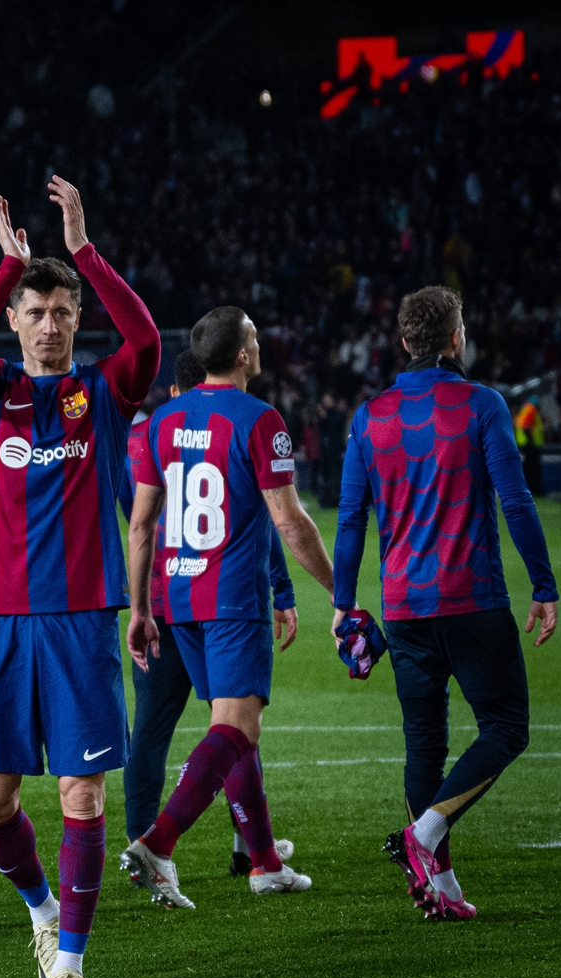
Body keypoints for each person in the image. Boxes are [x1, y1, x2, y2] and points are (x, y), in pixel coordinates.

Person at [0, 181, 158, 978]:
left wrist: (86, 248)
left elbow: (143, 340)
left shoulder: (101, 393)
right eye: (37, 310)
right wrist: (5, 270)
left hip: (79, 622)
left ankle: (69, 957)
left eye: (63, 311)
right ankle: (40, 907)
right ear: (17, 322)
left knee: (82, 792)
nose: (52, 322)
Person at [335, 286, 558, 921]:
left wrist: (345, 602)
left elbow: (351, 519)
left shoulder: (368, 415)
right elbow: (515, 502)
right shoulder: (483, 405)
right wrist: (543, 586)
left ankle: (440, 887)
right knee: (507, 727)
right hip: (472, 601)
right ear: (455, 338)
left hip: (404, 609)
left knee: (424, 747)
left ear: (405, 342)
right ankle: (424, 838)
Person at [121, 306, 335, 909]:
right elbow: (289, 522)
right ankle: (158, 844)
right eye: (255, 336)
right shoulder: (262, 420)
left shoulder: (162, 421)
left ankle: (265, 861)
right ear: (242, 355)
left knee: (235, 728)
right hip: (233, 598)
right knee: (236, 728)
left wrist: (140, 609)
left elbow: (141, 525)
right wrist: (338, 588)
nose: (260, 342)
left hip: (179, 597)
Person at [514, 394, 544, 496]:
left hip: (526, 443)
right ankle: (534, 490)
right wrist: (530, 439)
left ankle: (530, 490)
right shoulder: (530, 409)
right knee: (533, 468)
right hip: (530, 444)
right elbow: (525, 426)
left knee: (528, 468)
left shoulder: (525, 409)